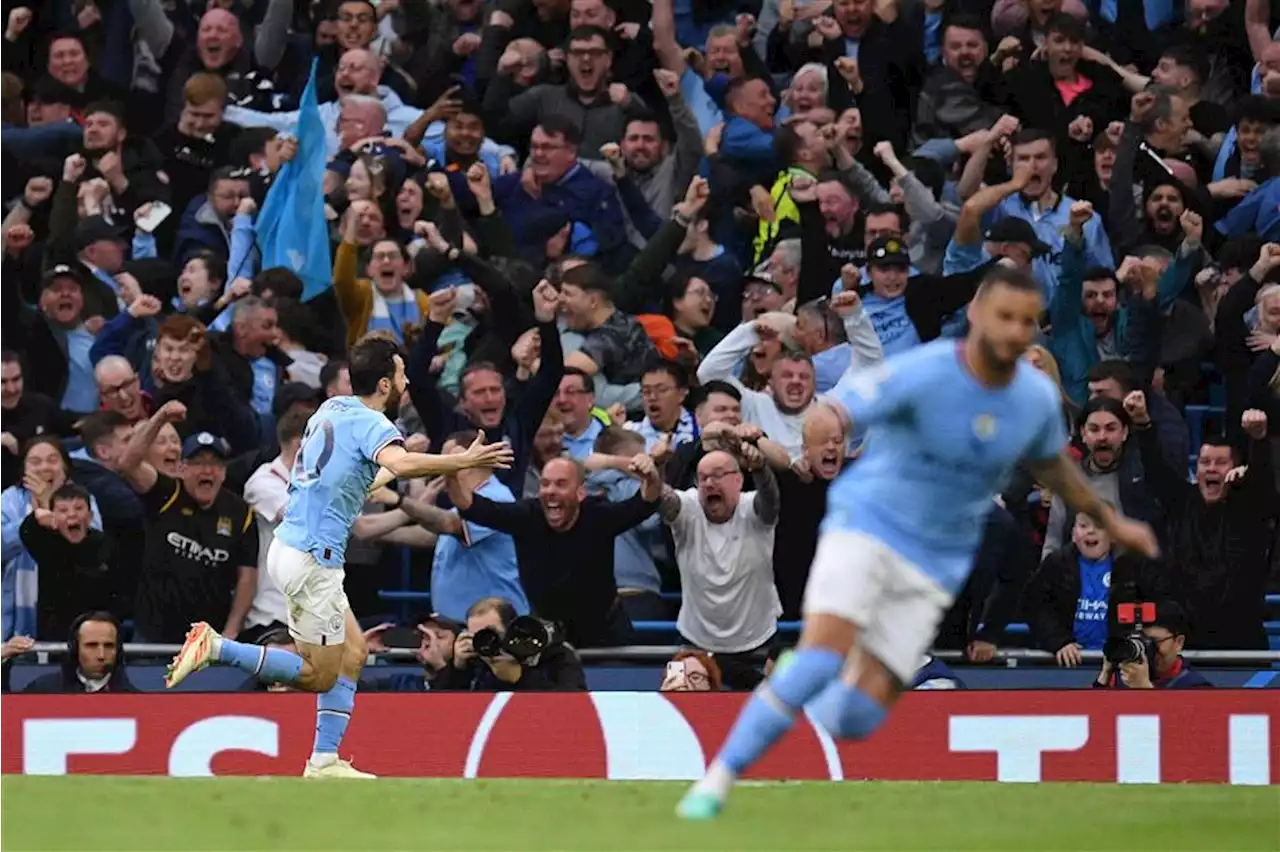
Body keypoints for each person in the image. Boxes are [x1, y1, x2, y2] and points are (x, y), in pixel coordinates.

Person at [677, 265, 1159, 819]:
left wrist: (1107, 518)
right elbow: (838, 408)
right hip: (866, 526)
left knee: (856, 719)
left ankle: (818, 688)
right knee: (817, 658)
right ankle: (718, 778)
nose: (1014, 331)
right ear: (976, 315)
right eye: (1004, 316)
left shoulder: (1033, 398)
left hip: (930, 563)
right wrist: (818, 432)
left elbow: (1052, 464)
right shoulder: (927, 372)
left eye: (1027, 321)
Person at [162, 332, 513, 778]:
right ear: (384, 385)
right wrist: (462, 461)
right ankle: (217, 647)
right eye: (401, 373)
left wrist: (400, 476)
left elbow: (351, 480)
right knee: (317, 676)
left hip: (300, 551)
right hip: (311, 560)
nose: (406, 381)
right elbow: (400, 465)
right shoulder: (377, 426)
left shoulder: (331, 410)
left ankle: (324, 760)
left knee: (355, 654)